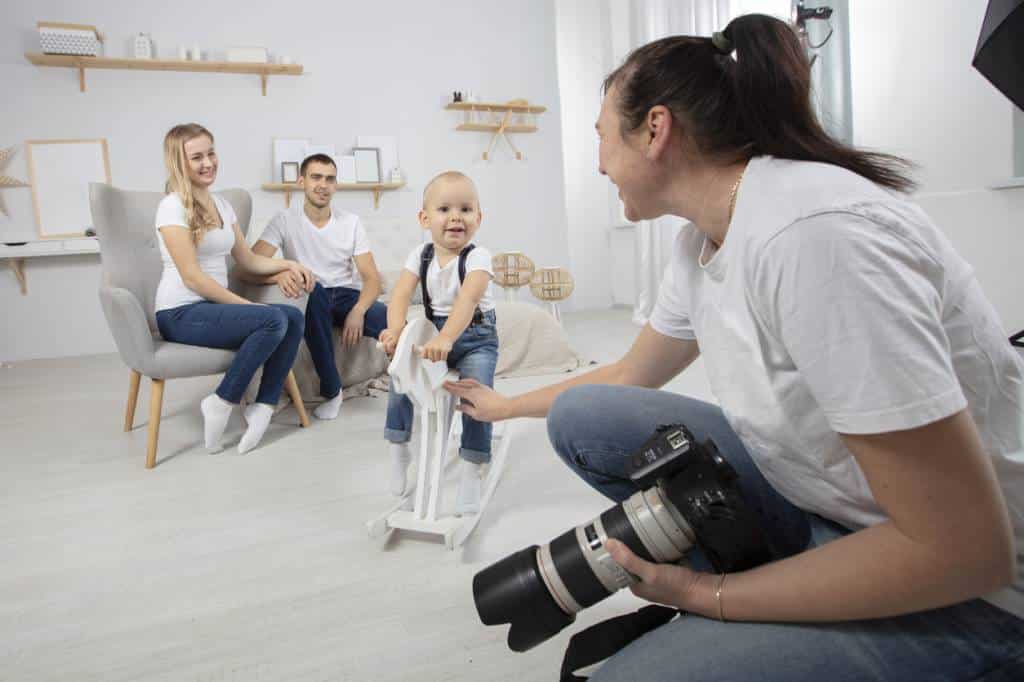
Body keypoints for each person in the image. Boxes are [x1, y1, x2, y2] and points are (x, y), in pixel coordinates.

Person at [445, 14, 1024, 681]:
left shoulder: (813, 240)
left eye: (602, 137)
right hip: (835, 508)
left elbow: (963, 550)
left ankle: (795, 597)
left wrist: (708, 597)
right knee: (587, 416)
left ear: (656, 130)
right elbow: (632, 372)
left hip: (972, 589)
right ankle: (794, 580)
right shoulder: (704, 237)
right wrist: (504, 405)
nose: (599, 162)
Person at [155, 123, 313, 455]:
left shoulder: (223, 206)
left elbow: (249, 261)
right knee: (272, 319)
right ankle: (221, 400)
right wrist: (249, 307)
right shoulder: (172, 207)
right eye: (196, 157)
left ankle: (264, 405)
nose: (207, 163)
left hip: (212, 310)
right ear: (178, 163)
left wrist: (288, 265)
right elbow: (192, 278)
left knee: (293, 318)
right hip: (180, 313)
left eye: (210, 153)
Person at [380, 171, 498, 514]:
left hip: (475, 338)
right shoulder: (420, 255)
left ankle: (472, 466)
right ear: (425, 218)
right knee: (399, 374)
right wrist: (396, 331)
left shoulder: (478, 257)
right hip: (436, 337)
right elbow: (400, 294)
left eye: (465, 209)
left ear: (479, 217)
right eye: (444, 209)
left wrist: (448, 337)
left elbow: (468, 300)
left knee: (475, 391)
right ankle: (399, 446)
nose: (455, 217)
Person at [250, 153, 388, 420]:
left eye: (330, 179)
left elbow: (371, 278)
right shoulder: (284, 220)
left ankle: (423, 381)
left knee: (388, 317)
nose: (323, 185)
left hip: (347, 295)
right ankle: (332, 389)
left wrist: (358, 311)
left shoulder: (351, 222)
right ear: (302, 181)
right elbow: (249, 266)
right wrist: (278, 276)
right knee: (314, 294)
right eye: (316, 177)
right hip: (311, 294)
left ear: (335, 185)